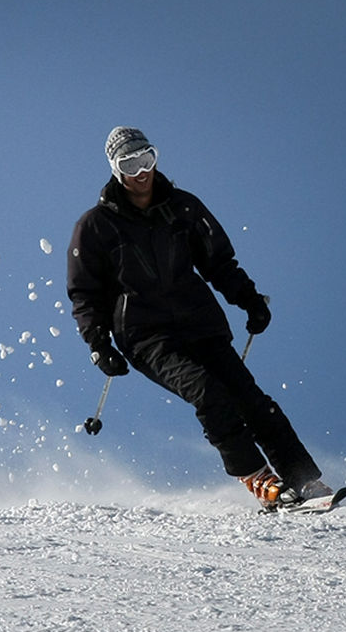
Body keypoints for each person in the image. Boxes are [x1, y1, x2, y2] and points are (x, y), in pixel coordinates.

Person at [66, 126, 330, 509]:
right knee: (208, 393)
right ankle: (259, 479)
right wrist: (99, 344)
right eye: (130, 164)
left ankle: (305, 480)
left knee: (253, 400)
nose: (141, 172)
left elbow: (219, 262)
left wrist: (249, 300)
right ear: (115, 169)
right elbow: (84, 293)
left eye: (147, 159)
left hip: (200, 324)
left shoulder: (184, 207)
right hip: (145, 335)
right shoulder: (95, 226)